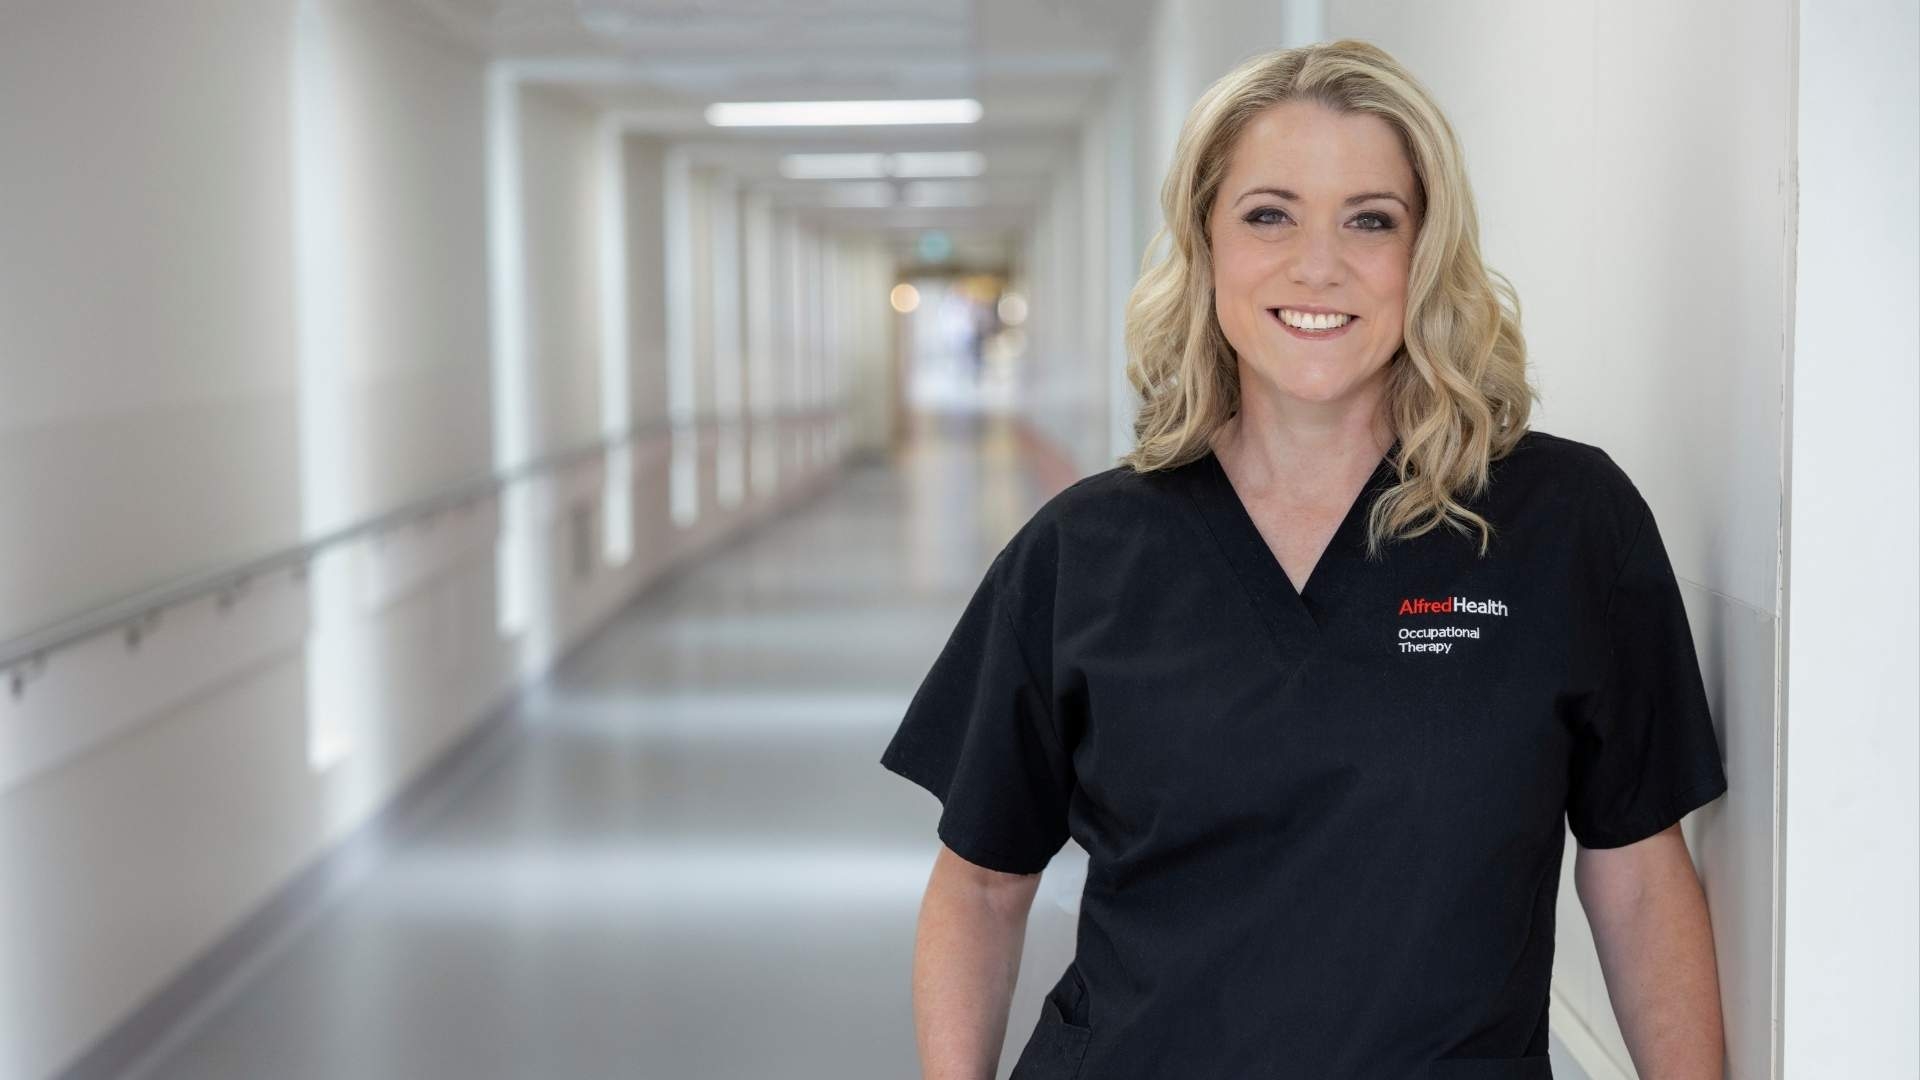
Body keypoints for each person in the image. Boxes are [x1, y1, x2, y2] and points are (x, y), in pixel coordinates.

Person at [879, 39, 1729, 1080]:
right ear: (1205, 243)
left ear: (1427, 252)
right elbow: (979, 886)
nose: (1318, 264)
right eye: (1269, 214)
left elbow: (1639, 871)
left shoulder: (1562, 524)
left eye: (1371, 219)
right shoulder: (1084, 555)